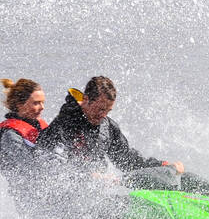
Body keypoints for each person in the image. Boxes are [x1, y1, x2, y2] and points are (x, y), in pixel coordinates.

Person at [35, 76, 184, 181]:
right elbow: (51, 168)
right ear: (86, 99)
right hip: (66, 202)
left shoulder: (108, 127)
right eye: (100, 109)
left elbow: (128, 161)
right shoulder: (64, 123)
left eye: (107, 111)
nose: (103, 115)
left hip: (98, 195)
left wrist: (161, 166)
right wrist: (88, 176)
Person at [0, 78, 51, 206]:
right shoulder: (10, 135)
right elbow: (28, 169)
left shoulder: (40, 126)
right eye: (36, 103)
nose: (42, 107)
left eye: (43, 102)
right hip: (28, 199)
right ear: (19, 104)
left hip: (48, 191)